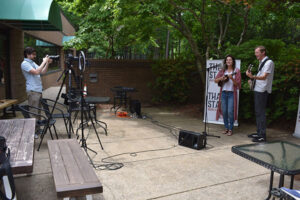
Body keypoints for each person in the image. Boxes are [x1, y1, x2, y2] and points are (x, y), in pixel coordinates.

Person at [21, 47, 52, 138]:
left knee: (38, 112)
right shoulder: (25, 63)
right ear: (27, 54)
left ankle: (37, 129)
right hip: (33, 91)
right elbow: (36, 72)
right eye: (33, 54)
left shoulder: (32, 63)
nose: (35, 56)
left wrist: (47, 63)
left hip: (38, 90)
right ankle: (33, 132)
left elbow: (42, 72)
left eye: (35, 54)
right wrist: (43, 61)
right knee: (33, 112)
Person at [246, 46, 274, 142]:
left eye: (257, 52)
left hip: (262, 90)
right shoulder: (261, 62)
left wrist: (252, 76)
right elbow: (260, 76)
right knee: (258, 112)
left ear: (263, 52)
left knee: (261, 113)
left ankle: (262, 135)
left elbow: (264, 77)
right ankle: (259, 133)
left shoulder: (269, 62)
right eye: (255, 52)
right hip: (258, 89)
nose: (255, 54)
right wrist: (252, 79)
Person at [215, 55, 241, 136]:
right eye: (227, 60)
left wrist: (232, 78)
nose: (228, 61)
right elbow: (216, 80)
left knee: (230, 111)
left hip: (231, 93)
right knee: (224, 111)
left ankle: (230, 129)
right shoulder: (223, 70)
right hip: (223, 93)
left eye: (230, 60)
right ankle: (226, 128)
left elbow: (238, 84)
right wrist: (221, 78)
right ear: (225, 62)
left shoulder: (236, 71)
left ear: (233, 61)